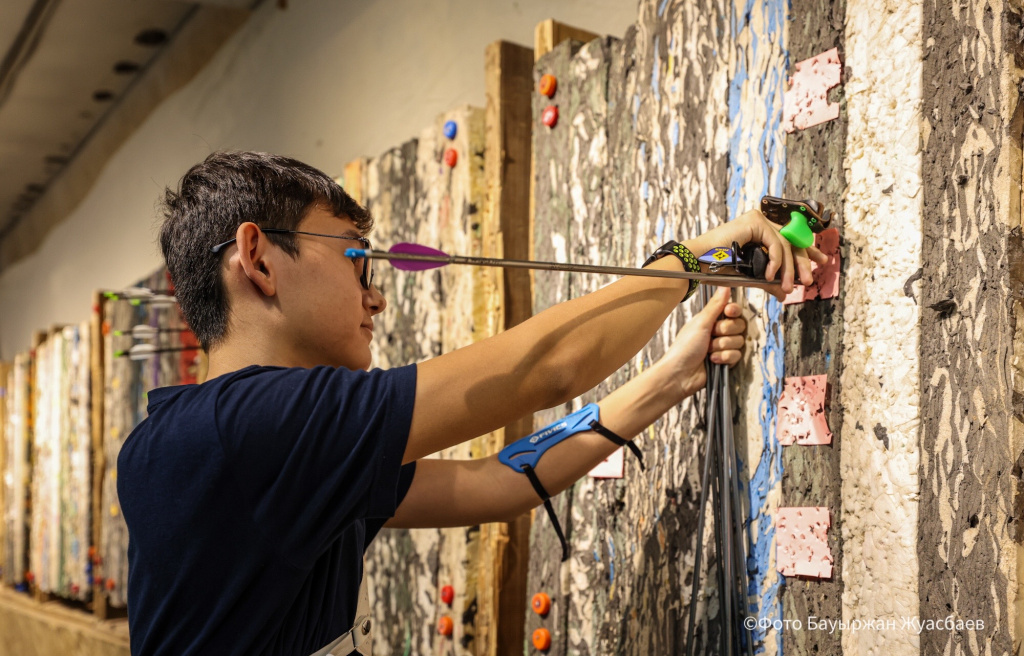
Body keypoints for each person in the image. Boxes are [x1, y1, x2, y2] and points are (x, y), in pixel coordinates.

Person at [117, 151, 824, 655]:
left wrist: (670, 378)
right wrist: (702, 254)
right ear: (260, 257)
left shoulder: (242, 443)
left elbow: (499, 480)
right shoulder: (251, 429)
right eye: (355, 257)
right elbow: (552, 368)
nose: (377, 291)